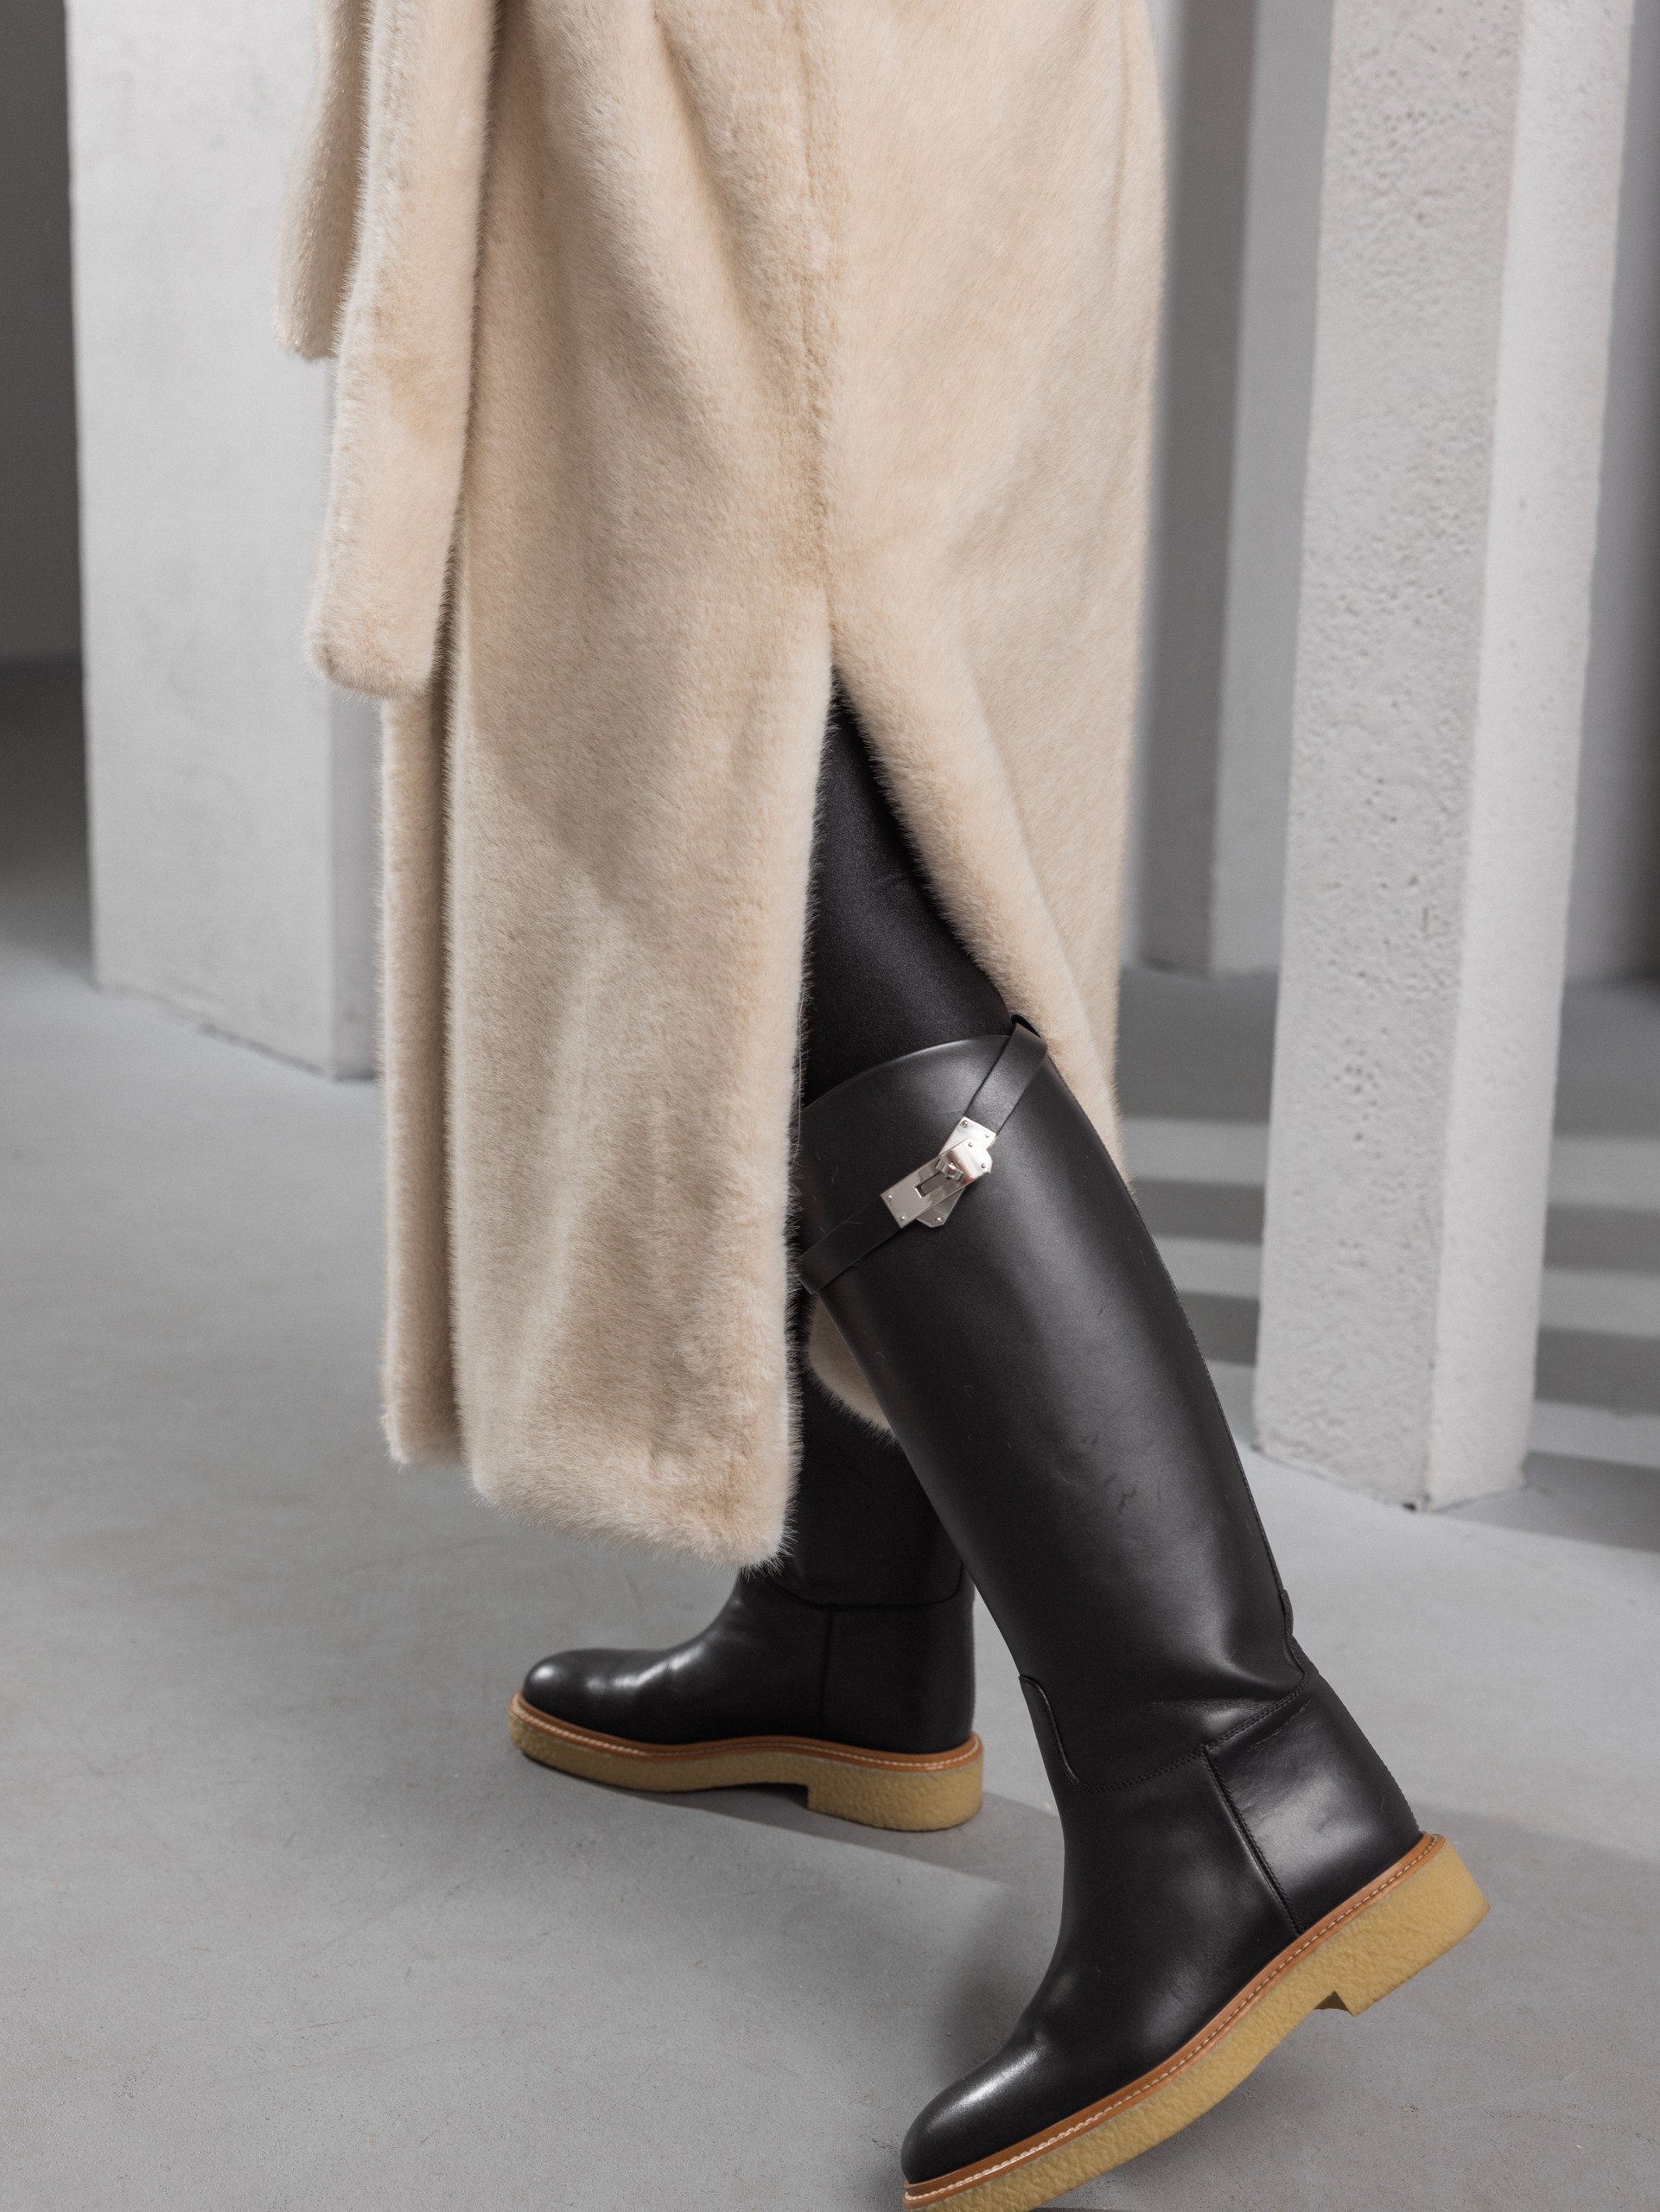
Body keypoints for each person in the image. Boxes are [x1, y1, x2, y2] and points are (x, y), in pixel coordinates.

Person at [280, 6, 1484, 2205]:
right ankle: (850, 1618)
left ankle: (1228, 1763)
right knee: (834, 778)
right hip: (884, 82)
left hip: (766, 78)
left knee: (760, 786)